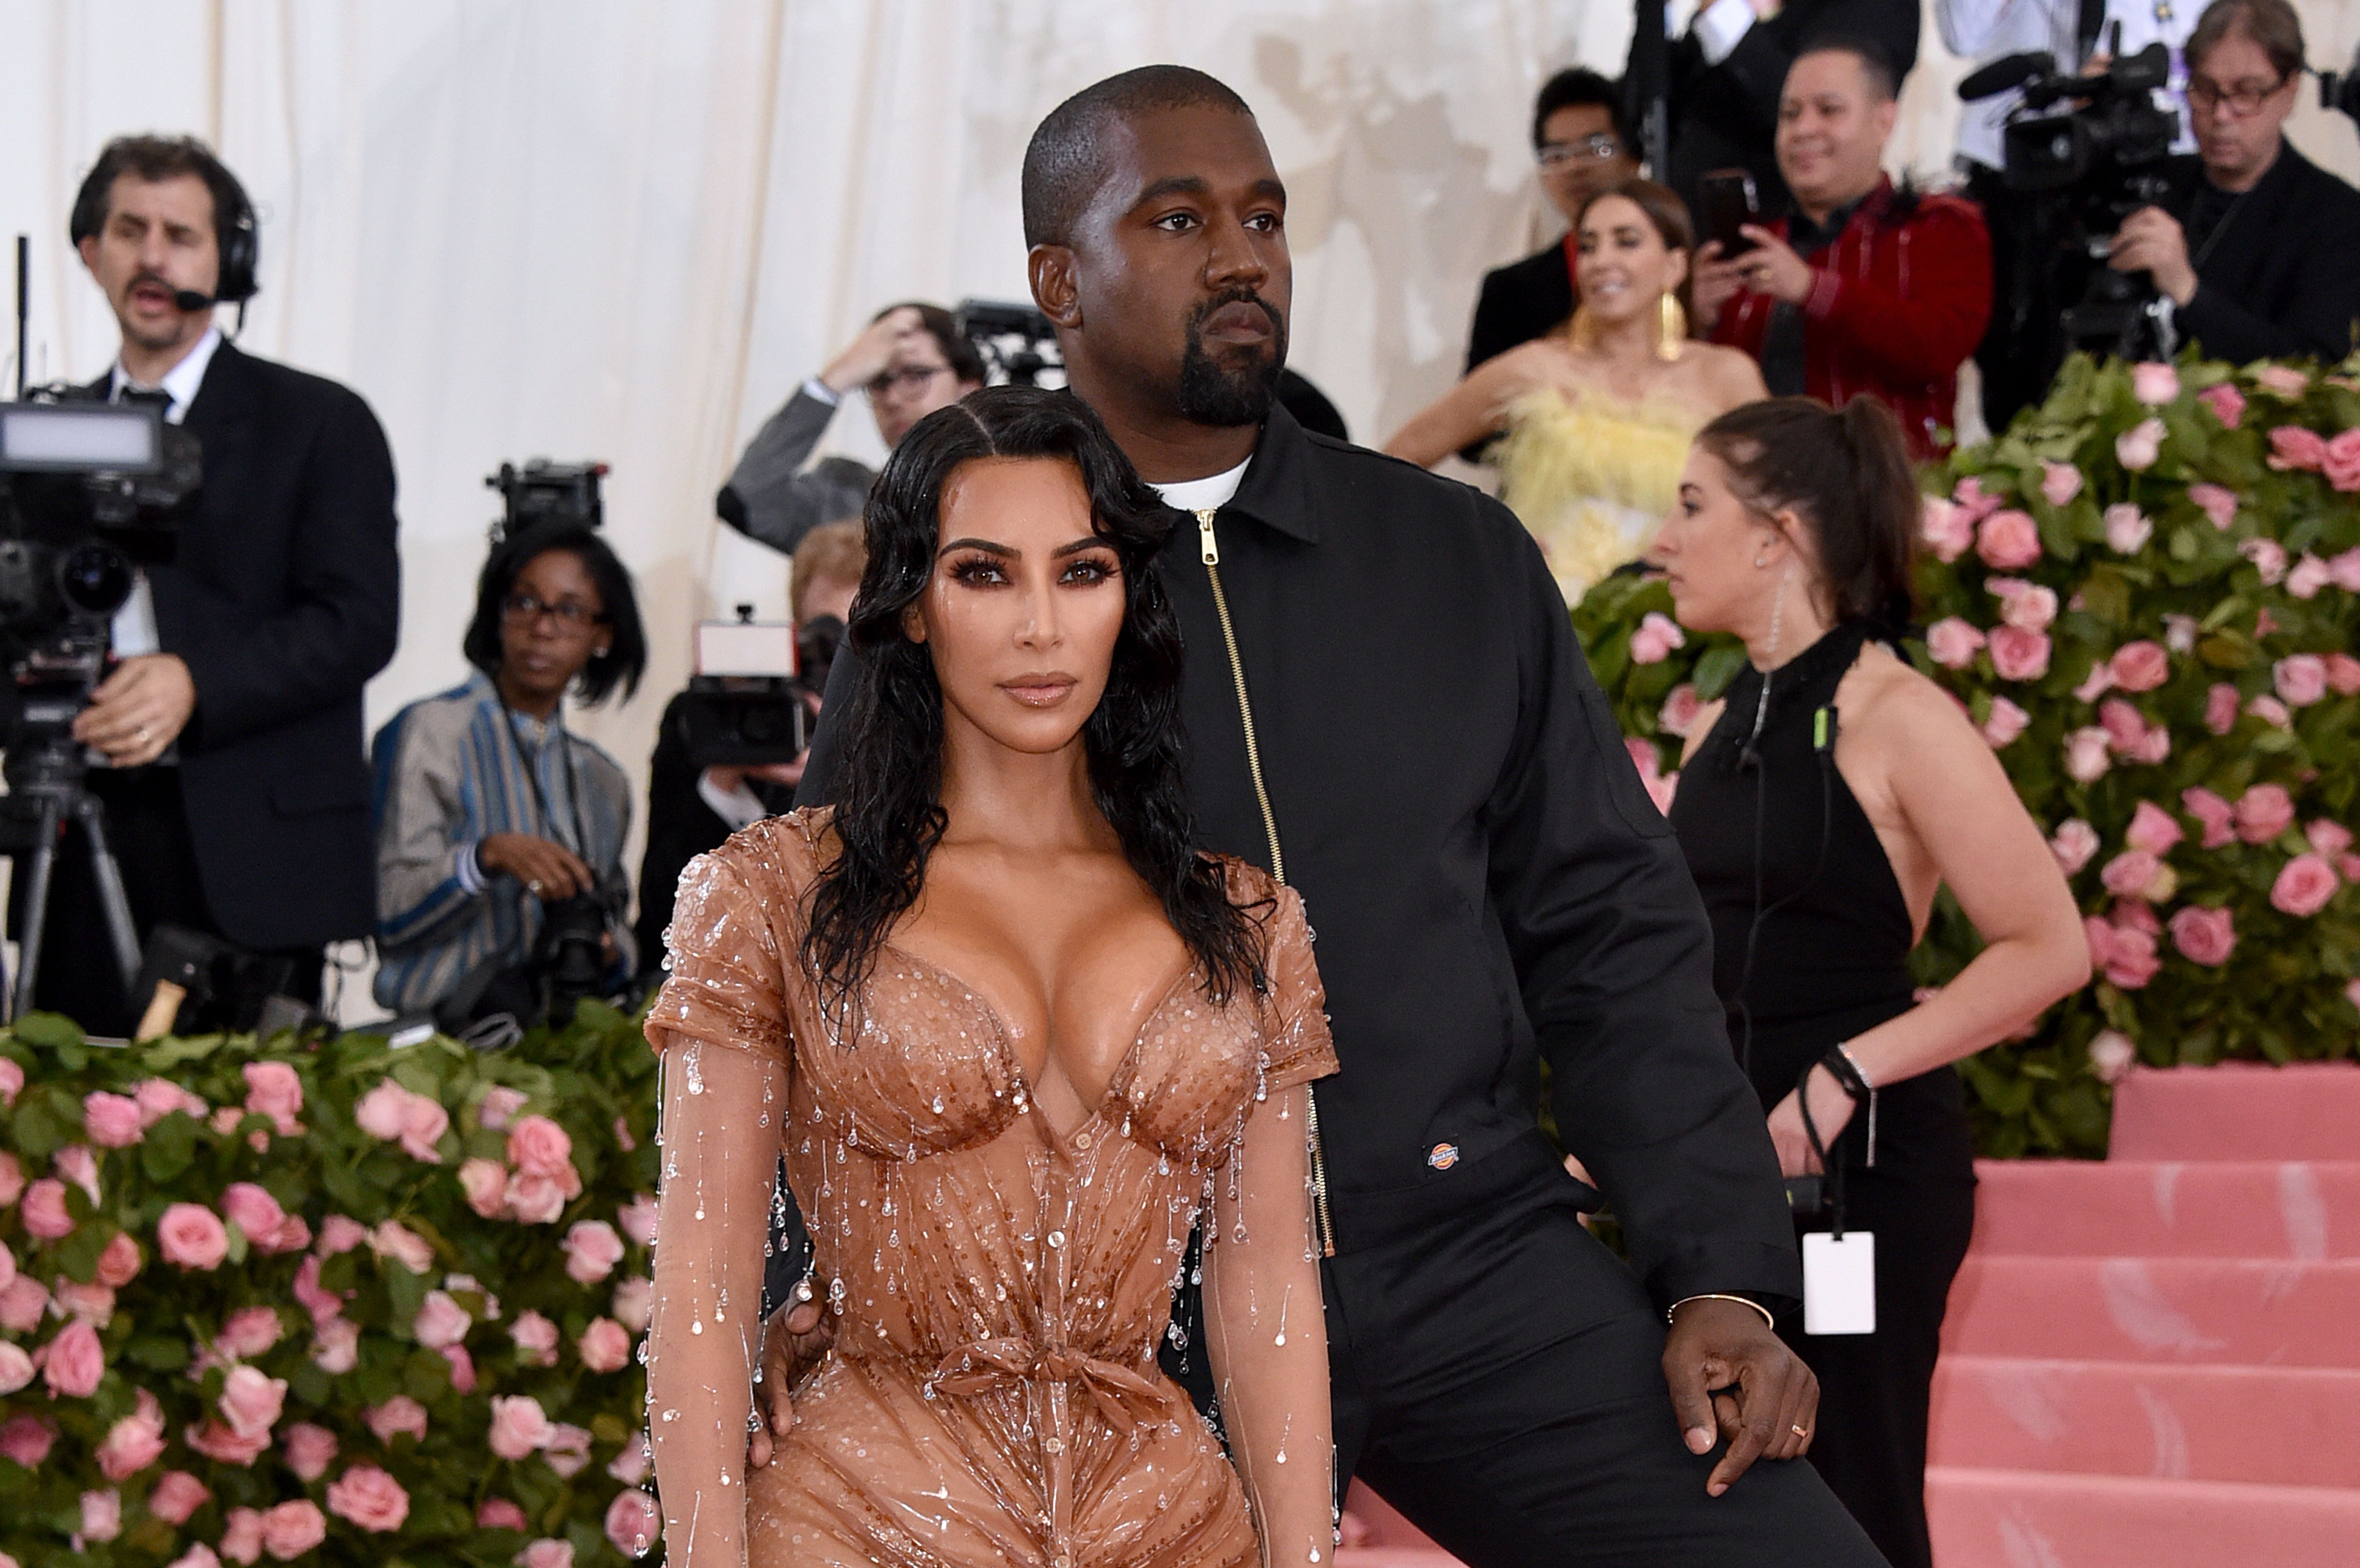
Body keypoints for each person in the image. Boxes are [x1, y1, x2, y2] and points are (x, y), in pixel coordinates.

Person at [784, 65, 1890, 1568]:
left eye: (1261, 215)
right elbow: (830, 963)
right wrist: (817, 1306)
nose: (1242, 254)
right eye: (1176, 219)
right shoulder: (967, 583)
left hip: (1468, 1257)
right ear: (1058, 280)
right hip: (1115, 1314)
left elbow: (1608, 926)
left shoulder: (1453, 557)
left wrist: (1723, 1273)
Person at [643, 385, 1339, 1568]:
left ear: (1128, 594)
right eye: (982, 574)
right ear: (910, 604)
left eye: (1080, 572)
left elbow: (1266, 1284)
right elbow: (704, 1277)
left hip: (1170, 1525)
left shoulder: (1247, 922)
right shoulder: (767, 894)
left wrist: (1302, 1562)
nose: (1038, 627)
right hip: (860, 1521)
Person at [1653, 395, 2090, 1568]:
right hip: (1728, 1174)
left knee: (1851, 1481)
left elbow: (2048, 948)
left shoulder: (1899, 715)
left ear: (1774, 534)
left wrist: (1843, 1073)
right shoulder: (1714, 723)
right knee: (1712, 1491)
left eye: (1691, 505)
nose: (1661, 537)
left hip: (1861, 1182)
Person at [13, 135, 399, 1035]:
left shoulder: (319, 422)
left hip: (250, 854)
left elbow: (358, 620)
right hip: (76, 835)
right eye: (130, 229)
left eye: (182, 235)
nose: (154, 256)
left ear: (228, 260)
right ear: (90, 251)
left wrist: (196, 680)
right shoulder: (43, 435)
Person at [1386, 180, 1766, 601]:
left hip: (1675, 630)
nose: (1602, 261)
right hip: (1545, 615)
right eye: (1588, 246)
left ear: (1675, 267)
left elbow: (1776, 501)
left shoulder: (1726, 376)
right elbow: (1400, 455)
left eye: (1627, 242)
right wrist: (1474, 546)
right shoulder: (1537, 367)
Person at [370, 521, 643, 1024]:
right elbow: (388, 913)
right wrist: (483, 859)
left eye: (569, 610)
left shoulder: (605, 781)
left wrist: (607, 950)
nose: (542, 627)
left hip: (555, 1049)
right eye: (524, 603)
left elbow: (620, 925)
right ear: (496, 615)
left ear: (603, 636)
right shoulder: (431, 731)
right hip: (436, 1047)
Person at [1694, 42, 1992, 461]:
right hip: (1755, 493)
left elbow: (1937, 346)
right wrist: (1698, 322)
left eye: (1829, 110)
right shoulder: (1759, 245)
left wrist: (1812, 289)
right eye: (1790, 114)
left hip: (1889, 500)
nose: (1803, 130)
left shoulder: (1940, 226)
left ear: (1884, 120)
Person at [1939, 0, 2201, 427]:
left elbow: (2198, 51)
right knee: (2019, 373)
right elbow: (1962, 31)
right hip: (2022, 166)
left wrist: (2121, 89)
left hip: (2136, 169)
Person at [634, 520, 867, 977]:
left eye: (859, 638)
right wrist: (724, 780)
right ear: (795, 631)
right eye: (826, 637)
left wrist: (837, 774)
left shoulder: (907, 734)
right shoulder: (707, 717)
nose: (840, 661)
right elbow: (661, 907)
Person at [2107, 0, 2360, 366]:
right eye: (2205, 90)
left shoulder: (2337, 216)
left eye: (2246, 94)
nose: (2221, 116)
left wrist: (2189, 293)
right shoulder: (2152, 185)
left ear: (2289, 91)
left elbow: (2312, 367)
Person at [716, 302, 985, 557]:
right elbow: (747, 500)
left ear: (969, 387)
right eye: (879, 382)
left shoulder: (1004, 492)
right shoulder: (847, 499)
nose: (892, 399)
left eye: (916, 376)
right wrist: (836, 379)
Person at [1645, 0, 1921, 222]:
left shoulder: (1871, 10)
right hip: (1694, 229)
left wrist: (1722, 12)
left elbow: (1794, 99)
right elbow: (1641, 121)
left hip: (1799, 234)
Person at [1461, 68, 1643, 378]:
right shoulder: (1509, 294)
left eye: (1596, 148)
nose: (1575, 167)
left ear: (1634, 158)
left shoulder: (1684, 266)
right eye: (1557, 155)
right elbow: (1475, 417)